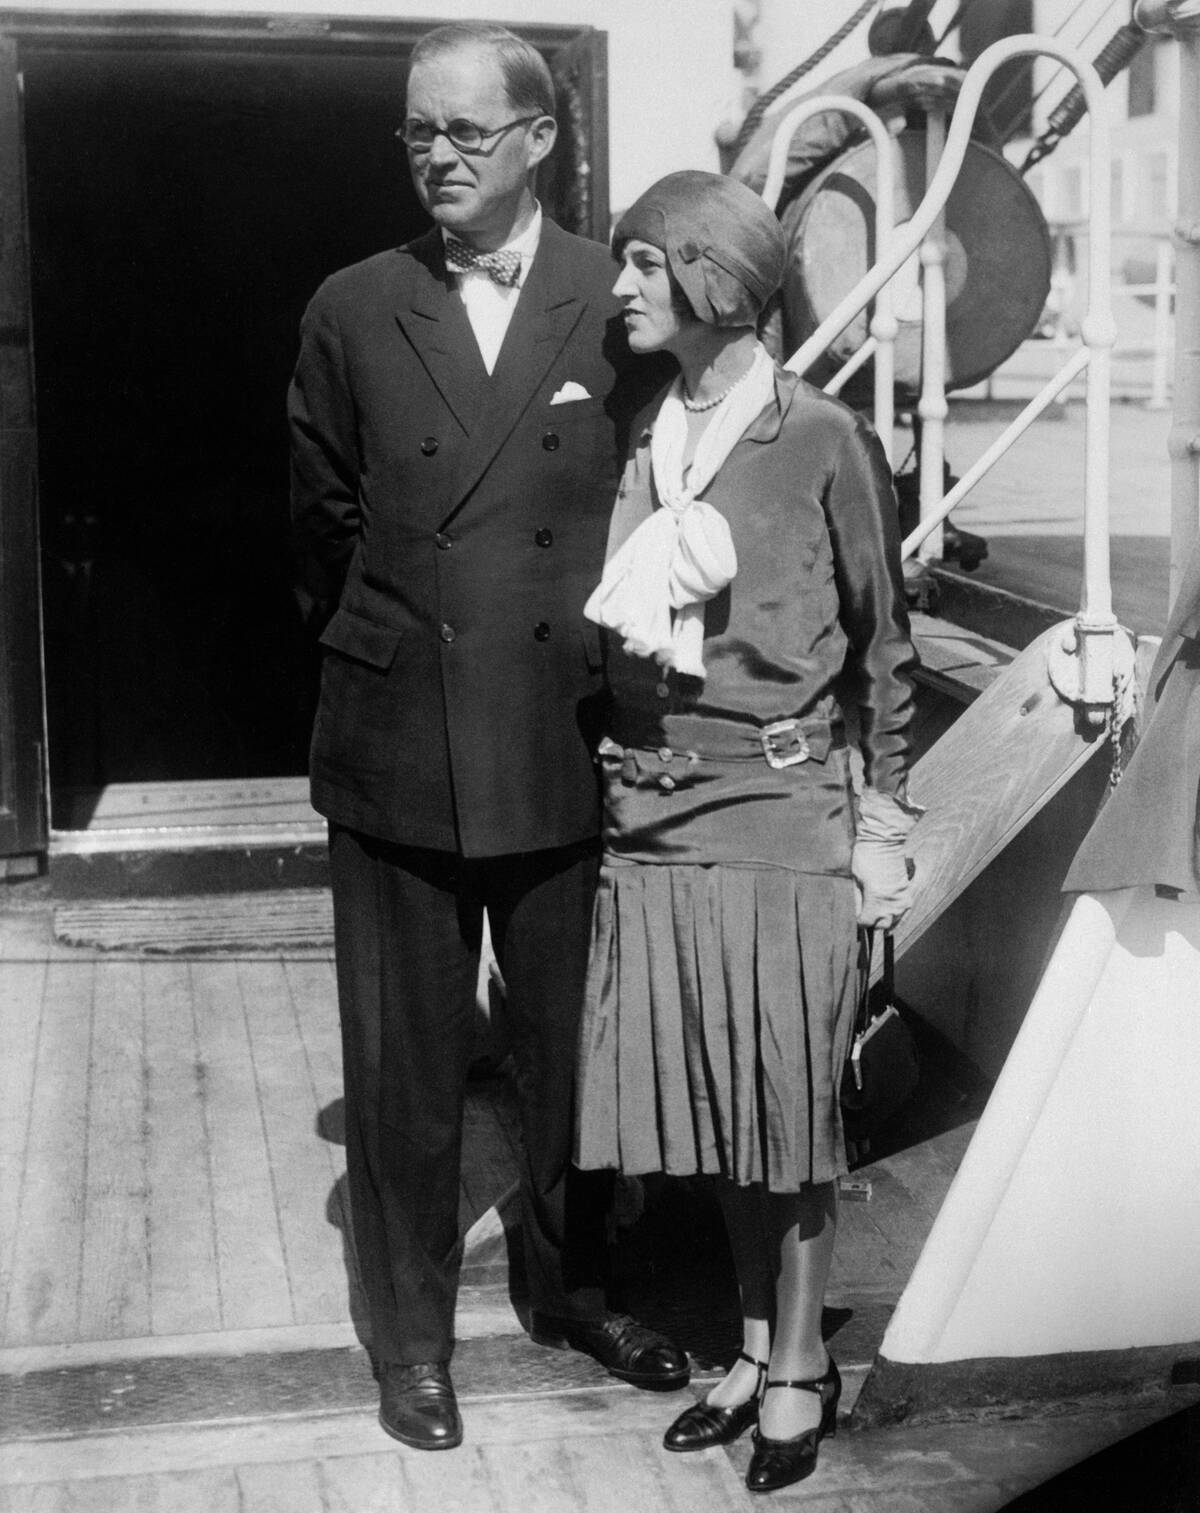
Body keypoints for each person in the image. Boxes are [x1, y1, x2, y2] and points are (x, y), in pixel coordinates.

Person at [288, 22, 686, 1454]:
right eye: (416, 133)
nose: (436, 158)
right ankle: (409, 1340)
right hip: (398, 735)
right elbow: (321, 521)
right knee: (401, 1068)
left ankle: (573, 1285)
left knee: (574, 1048)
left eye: (465, 133)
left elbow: (681, 484)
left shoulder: (619, 295)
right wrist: (399, 642)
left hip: (568, 732)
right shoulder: (352, 304)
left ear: (542, 140)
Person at [576, 170, 920, 1493]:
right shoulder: (649, 432)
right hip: (657, 809)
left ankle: (800, 1369)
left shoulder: (822, 434)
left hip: (784, 814)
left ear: (718, 278)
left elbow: (883, 646)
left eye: (645, 268)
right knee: (714, 1104)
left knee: (784, 1102)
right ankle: (759, 1334)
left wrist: (882, 818)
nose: (623, 292)